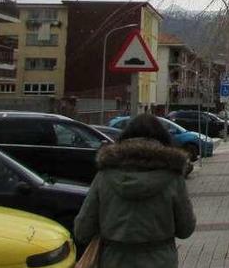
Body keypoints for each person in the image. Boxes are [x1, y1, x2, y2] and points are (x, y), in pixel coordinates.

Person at [75, 113, 196, 267]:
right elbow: (186, 229)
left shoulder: (105, 176)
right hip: (160, 260)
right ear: (164, 139)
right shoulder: (172, 177)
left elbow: (82, 230)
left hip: (114, 260)